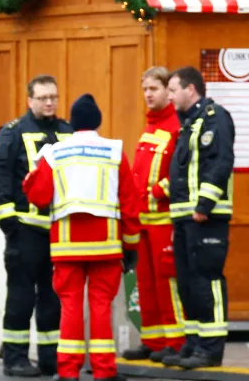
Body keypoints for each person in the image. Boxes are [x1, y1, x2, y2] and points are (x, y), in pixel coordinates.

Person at [22, 93, 141, 381]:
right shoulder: (115, 151)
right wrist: (131, 245)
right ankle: (104, 370)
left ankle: (68, 371)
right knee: (101, 306)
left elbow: (38, 197)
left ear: (73, 123)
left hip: (67, 246)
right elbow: (130, 202)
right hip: (106, 245)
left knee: (71, 306)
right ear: (98, 122)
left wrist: (31, 176)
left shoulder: (55, 153)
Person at [0, 74, 73, 377]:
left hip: (59, 233)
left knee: (53, 299)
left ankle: (50, 359)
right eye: (43, 98)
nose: (49, 103)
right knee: (21, 298)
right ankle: (15, 360)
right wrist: (8, 221)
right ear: (30, 100)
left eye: (53, 97)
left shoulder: (67, 132)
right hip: (24, 231)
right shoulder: (12, 132)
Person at [162, 66, 235, 370]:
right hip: (184, 219)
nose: (169, 96)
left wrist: (204, 205)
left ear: (190, 90)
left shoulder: (214, 119)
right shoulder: (188, 123)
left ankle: (211, 348)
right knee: (188, 285)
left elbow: (220, 162)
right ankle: (193, 345)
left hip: (206, 218)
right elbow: (183, 170)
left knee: (207, 281)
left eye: (173, 90)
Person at [121, 67, 185, 362]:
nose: (148, 94)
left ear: (167, 92)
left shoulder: (176, 126)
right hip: (143, 221)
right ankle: (153, 340)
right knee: (145, 284)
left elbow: (181, 171)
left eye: (154, 89)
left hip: (165, 221)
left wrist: (158, 192)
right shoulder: (150, 127)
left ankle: (176, 341)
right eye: (145, 89)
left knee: (166, 282)